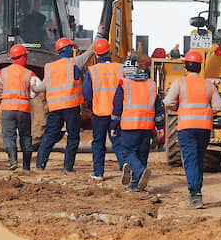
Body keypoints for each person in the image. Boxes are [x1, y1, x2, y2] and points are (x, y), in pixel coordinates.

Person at [163, 50, 221, 208]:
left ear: (185, 67)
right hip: (204, 128)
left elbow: (167, 102)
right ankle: (197, 191)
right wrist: (206, 112)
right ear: (199, 67)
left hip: (186, 128)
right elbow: (218, 106)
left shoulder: (179, 83)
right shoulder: (208, 85)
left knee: (190, 160)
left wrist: (177, 107)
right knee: (198, 159)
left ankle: (195, 194)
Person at [110, 55, 164, 192]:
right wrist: (159, 127)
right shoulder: (151, 84)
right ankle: (135, 184)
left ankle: (140, 170)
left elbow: (117, 108)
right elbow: (158, 108)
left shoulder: (124, 83)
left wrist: (113, 126)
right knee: (141, 154)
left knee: (127, 152)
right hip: (147, 127)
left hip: (130, 126)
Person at [0, 44, 44, 170]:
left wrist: (3, 93)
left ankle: (13, 162)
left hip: (7, 109)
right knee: (25, 137)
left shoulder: (3, 72)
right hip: (23, 110)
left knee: (8, 136)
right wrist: (30, 95)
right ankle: (26, 166)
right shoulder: (28, 74)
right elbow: (39, 87)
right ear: (23, 57)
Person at [36, 37, 84, 172]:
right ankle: (68, 167)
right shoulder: (75, 62)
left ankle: (40, 165)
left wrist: (33, 90)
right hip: (71, 106)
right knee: (73, 136)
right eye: (72, 48)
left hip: (55, 108)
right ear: (67, 49)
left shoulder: (50, 67)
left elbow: (42, 86)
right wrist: (99, 33)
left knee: (49, 135)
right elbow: (91, 51)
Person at [83, 38, 125, 180]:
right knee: (118, 140)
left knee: (98, 143)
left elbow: (87, 93)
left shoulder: (92, 71)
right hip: (118, 113)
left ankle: (98, 172)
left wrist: (90, 106)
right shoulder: (120, 68)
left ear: (96, 54)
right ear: (110, 52)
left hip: (100, 112)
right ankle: (125, 165)